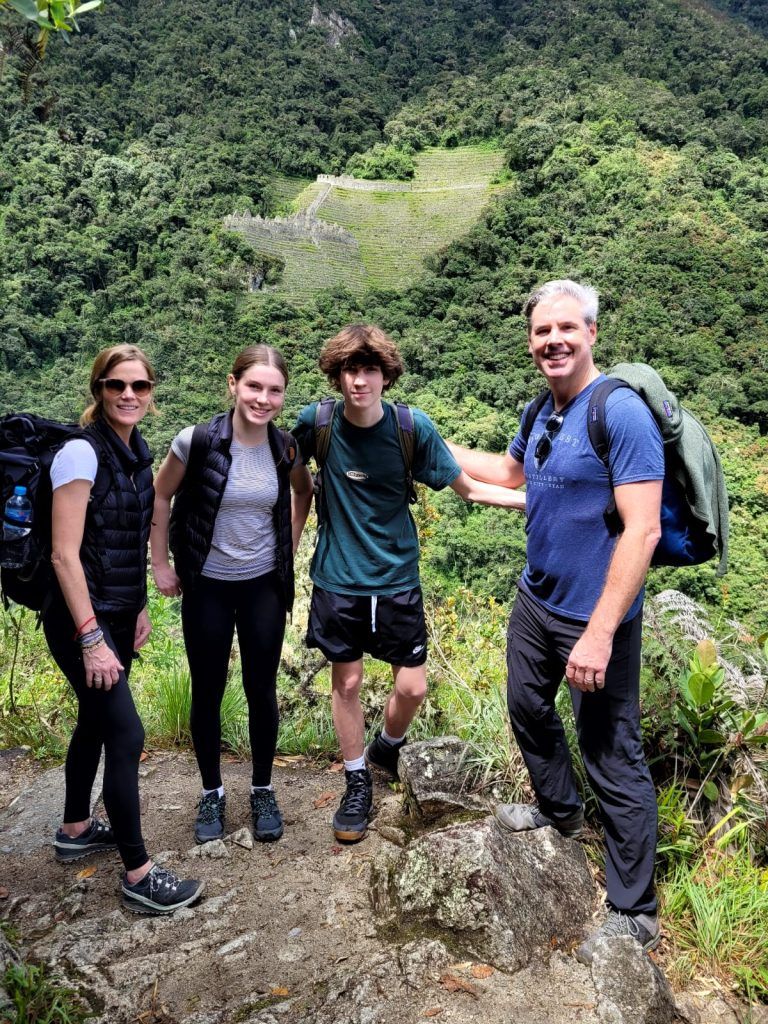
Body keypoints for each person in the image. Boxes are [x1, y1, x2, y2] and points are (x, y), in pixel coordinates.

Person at [447, 280, 664, 963]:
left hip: (595, 614)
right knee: (525, 706)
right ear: (531, 341)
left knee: (612, 754)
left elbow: (643, 530)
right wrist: (424, 438)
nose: (554, 341)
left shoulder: (619, 414)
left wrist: (600, 632)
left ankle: (635, 912)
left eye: (567, 328)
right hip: (537, 601)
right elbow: (510, 475)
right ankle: (559, 809)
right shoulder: (540, 410)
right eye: (543, 332)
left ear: (593, 333)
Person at [291, 324, 526, 843]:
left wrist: (536, 502)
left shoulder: (410, 428)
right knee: (346, 683)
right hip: (339, 579)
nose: (360, 380)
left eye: (370, 369)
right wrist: (283, 551)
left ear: (385, 375)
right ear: (337, 375)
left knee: (412, 685)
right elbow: (289, 476)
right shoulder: (317, 422)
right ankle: (357, 781)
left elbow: (468, 489)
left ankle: (386, 747)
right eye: (351, 370)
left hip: (397, 578)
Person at [45, 344, 203, 914]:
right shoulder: (80, 456)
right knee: (126, 733)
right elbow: (65, 556)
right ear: (99, 390)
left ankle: (75, 829)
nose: (128, 395)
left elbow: (123, 540)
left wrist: (135, 606)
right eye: (117, 385)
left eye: (139, 385)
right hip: (78, 619)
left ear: (152, 392)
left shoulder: (135, 453)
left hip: (114, 611)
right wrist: (91, 638)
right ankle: (138, 875)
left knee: (96, 720)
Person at [151, 346, 313, 845]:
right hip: (208, 583)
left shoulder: (284, 447)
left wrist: (289, 541)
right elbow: (161, 494)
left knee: (261, 689)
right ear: (233, 385)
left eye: (274, 390)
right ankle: (212, 791)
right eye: (254, 387)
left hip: (264, 581)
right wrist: (159, 563)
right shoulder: (196, 441)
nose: (263, 399)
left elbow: (305, 492)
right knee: (208, 688)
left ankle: (262, 788)